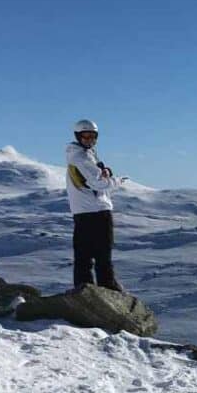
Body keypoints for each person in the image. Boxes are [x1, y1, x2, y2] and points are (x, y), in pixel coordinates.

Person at [66, 119, 125, 292]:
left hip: (82, 211)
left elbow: (95, 176)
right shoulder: (81, 156)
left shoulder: (80, 154)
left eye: (93, 135)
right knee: (103, 254)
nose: (89, 139)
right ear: (78, 136)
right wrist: (117, 181)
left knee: (83, 254)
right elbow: (98, 184)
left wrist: (103, 173)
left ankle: (83, 289)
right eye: (86, 135)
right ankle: (108, 288)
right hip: (97, 210)